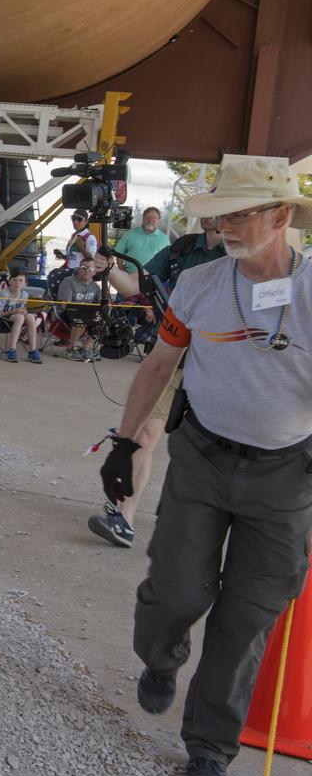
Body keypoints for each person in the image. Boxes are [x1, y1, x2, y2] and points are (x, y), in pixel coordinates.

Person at [99, 154, 312, 776]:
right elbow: (159, 366)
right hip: (204, 459)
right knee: (177, 590)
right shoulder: (198, 286)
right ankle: (161, 657)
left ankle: (209, 750)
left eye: (239, 215)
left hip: (287, 476)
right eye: (220, 217)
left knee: (249, 617)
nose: (224, 228)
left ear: (280, 216)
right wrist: (122, 444)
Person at [87, 215, 226, 547]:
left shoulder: (242, 257)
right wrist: (108, 269)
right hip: (173, 357)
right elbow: (134, 286)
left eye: (217, 204)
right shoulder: (181, 248)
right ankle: (124, 518)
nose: (209, 211)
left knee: (212, 449)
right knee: (146, 434)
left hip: (221, 367)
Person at [0, 268, 42, 363]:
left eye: (21, 280)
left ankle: (32, 350)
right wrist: (14, 312)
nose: (17, 283)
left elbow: (20, 310)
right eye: (15, 280)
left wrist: (23, 311)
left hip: (12, 319)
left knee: (30, 316)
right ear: (10, 281)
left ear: (25, 284)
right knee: (19, 317)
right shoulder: (4, 294)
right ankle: (11, 349)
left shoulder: (24, 295)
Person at [56, 255, 104, 360]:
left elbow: (102, 303)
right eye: (84, 268)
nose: (87, 271)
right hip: (66, 313)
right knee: (81, 319)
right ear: (78, 269)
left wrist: (106, 300)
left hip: (87, 314)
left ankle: (85, 348)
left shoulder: (95, 287)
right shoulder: (68, 282)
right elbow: (64, 305)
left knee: (104, 320)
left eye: (90, 269)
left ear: (94, 272)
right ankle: (71, 349)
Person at [113, 206, 170, 273]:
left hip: (153, 280)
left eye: (154, 218)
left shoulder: (164, 239)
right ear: (143, 218)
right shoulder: (130, 234)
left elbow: (167, 261)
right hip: (130, 277)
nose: (150, 220)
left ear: (159, 221)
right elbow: (119, 254)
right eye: (147, 217)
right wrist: (122, 271)